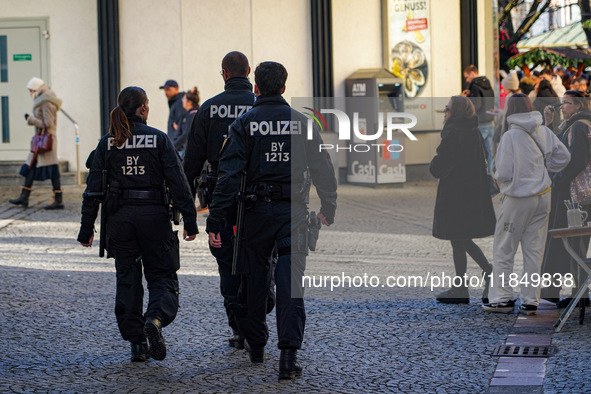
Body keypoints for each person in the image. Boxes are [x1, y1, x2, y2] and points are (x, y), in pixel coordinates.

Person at [206, 61, 337, 380]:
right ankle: (288, 357)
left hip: (255, 215)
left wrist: (215, 218)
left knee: (254, 281)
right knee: (291, 285)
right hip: (293, 211)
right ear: (284, 87)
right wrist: (328, 207)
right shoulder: (303, 123)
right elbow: (322, 167)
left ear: (257, 88)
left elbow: (228, 176)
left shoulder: (244, 123)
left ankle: (256, 344)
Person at [77, 86, 198, 362]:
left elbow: (92, 190)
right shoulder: (159, 139)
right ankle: (154, 320)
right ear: (143, 108)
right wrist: (190, 220)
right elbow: (179, 183)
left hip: (120, 221)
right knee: (162, 275)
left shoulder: (108, 142)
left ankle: (136, 344)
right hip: (154, 218)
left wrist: (87, 228)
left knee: (127, 279)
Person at [183, 51, 255, 349]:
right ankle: (260, 306)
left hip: (220, 195)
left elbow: (192, 160)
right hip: (258, 195)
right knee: (262, 254)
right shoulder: (262, 106)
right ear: (248, 71)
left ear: (224, 73)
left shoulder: (209, 109)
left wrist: (183, 200)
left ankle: (239, 326)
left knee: (226, 259)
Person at [483, 94, 570, 314]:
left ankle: (502, 298)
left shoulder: (511, 136)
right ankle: (531, 300)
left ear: (510, 110)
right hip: (543, 196)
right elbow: (564, 157)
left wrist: (505, 179)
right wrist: (545, 167)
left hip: (517, 199)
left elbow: (503, 172)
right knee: (534, 251)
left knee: (504, 249)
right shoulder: (544, 130)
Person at [430, 96, 495, 304]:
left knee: (459, 238)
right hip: (472, 193)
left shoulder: (453, 132)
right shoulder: (473, 131)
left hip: (455, 194)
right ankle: (461, 286)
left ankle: (485, 273)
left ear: (455, 111)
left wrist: (433, 164)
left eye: (447, 109)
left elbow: (441, 165)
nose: (445, 112)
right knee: (459, 238)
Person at [541, 90, 591, 307]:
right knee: (572, 243)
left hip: (576, 196)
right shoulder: (576, 125)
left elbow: (578, 159)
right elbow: (558, 148)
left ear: (578, 106)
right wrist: (549, 124)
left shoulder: (579, 126)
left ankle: (578, 295)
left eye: (566, 104)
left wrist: (559, 178)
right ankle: (576, 293)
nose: (562, 107)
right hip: (576, 195)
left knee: (574, 243)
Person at [9, 77, 63, 209]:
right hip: (41, 141)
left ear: (36, 89)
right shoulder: (44, 100)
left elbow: (48, 123)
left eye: (31, 90)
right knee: (31, 167)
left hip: (46, 141)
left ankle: (58, 200)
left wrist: (31, 119)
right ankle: (24, 197)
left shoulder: (46, 102)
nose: (30, 93)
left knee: (51, 169)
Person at [461, 65, 495, 174]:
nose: (467, 80)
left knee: (476, 152)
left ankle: (479, 176)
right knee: (488, 152)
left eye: (467, 77)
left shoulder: (475, 87)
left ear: (472, 73)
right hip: (490, 122)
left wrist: (466, 99)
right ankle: (489, 176)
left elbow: (476, 105)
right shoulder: (488, 85)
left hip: (480, 123)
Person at [159, 79, 187, 149]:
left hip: (179, 147)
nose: (166, 92)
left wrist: (175, 144)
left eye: (168, 89)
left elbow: (183, 121)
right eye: (165, 90)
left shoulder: (179, 102)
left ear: (176, 88)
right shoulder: (175, 102)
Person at [175, 86, 200, 158]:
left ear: (189, 102)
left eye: (184, 99)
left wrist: (173, 146)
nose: (182, 101)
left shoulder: (192, 115)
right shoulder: (194, 113)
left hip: (192, 152)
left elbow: (186, 134)